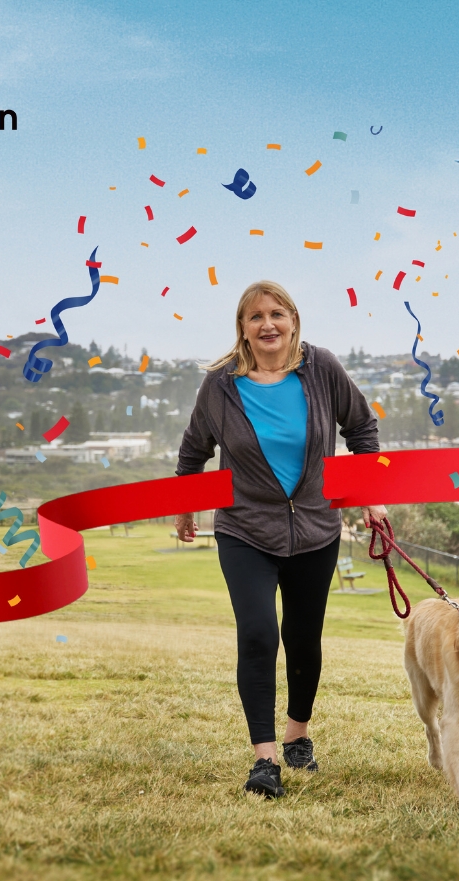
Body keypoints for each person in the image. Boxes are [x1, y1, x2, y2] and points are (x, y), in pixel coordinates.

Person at [174, 280, 386, 798]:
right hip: (244, 528)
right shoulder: (221, 386)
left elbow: (362, 430)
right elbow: (192, 450)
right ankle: (264, 759)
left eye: (276, 314)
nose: (267, 324)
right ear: (242, 329)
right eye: (255, 317)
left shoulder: (323, 369)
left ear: (293, 319)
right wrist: (184, 506)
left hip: (315, 528)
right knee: (258, 634)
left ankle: (298, 736)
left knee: (303, 638)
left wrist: (371, 495)